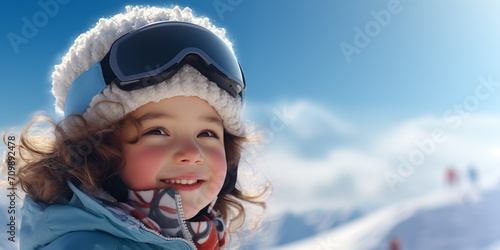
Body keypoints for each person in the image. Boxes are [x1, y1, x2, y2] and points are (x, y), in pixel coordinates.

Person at [10, 5, 267, 249]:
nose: (192, 153)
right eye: (157, 131)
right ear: (95, 153)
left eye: (207, 133)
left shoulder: (199, 237)